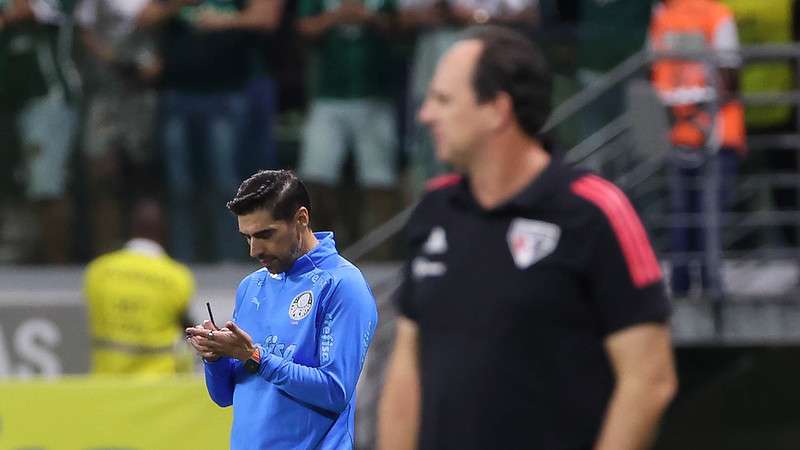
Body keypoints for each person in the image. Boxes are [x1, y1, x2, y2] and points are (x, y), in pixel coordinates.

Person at [377, 26, 677, 450]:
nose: (426, 114)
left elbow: (649, 379)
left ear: (497, 110)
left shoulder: (594, 212)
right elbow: (407, 363)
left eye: (443, 100)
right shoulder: (434, 210)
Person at [185, 169, 378, 449]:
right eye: (247, 238)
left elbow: (335, 390)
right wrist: (215, 358)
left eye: (265, 234)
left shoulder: (343, 285)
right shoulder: (251, 287)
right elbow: (225, 396)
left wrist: (253, 356)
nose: (254, 250)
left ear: (301, 219)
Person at [138, 0, 284, 262]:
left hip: (225, 94)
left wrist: (224, 20)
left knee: (226, 185)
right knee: (180, 187)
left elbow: (266, 17)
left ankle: (229, 260)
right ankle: (183, 261)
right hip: (178, 95)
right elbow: (145, 17)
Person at [649, 0, 746, 298]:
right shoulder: (718, 15)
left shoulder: (663, 16)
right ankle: (711, 287)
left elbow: (650, 69)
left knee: (682, 213)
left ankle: (680, 287)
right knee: (710, 214)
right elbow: (730, 75)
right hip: (715, 131)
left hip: (677, 129)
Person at [75, 0, 161, 256]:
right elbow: (85, 35)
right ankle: (106, 252)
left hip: (144, 97)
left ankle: (150, 252)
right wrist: (117, 59)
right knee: (102, 176)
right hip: (104, 94)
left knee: (146, 180)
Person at [0, 0, 80, 263]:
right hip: (11, 104)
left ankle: (58, 266)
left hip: (47, 99)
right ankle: (25, 256)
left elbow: (31, 10)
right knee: (18, 183)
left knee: (46, 186)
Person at [84, 199, 195, 375]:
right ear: (164, 231)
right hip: (159, 385)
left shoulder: (98, 270)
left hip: (106, 382)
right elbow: (187, 332)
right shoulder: (177, 277)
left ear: (132, 229)